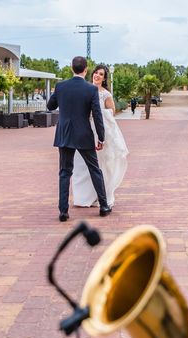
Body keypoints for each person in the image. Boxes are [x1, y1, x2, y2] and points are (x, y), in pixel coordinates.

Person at [47, 56, 111, 222]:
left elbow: (50, 106)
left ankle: (63, 211)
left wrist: (58, 95)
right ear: (86, 69)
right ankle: (104, 206)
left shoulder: (60, 86)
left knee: (64, 172)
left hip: (65, 134)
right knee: (94, 169)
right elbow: (97, 116)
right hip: (83, 134)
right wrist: (101, 137)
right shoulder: (91, 90)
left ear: (71, 68)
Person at [72, 64, 129, 208]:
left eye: (101, 74)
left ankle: (100, 195)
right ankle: (84, 197)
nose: (97, 75)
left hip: (99, 131)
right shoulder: (84, 89)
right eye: (96, 73)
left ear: (104, 79)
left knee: (99, 164)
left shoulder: (105, 94)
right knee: (81, 165)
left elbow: (112, 112)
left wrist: (96, 113)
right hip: (84, 130)